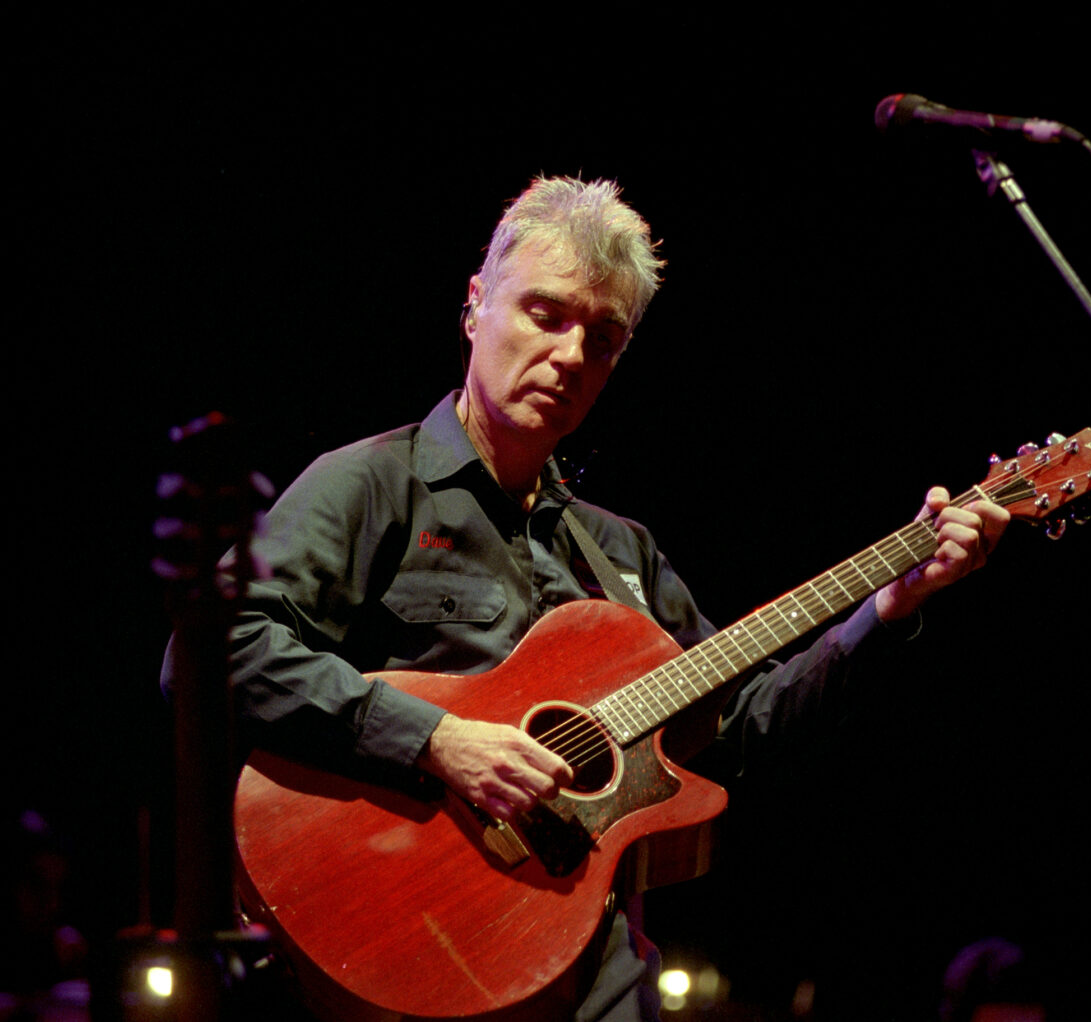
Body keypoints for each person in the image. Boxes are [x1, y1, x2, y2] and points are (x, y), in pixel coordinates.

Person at [163, 176, 1009, 1020]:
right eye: (545, 315)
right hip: (408, 939)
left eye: (603, 340)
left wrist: (886, 609)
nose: (571, 356)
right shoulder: (369, 485)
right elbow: (210, 653)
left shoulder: (621, 554)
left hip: (590, 964)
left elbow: (742, 727)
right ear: (475, 306)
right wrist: (438, 739)